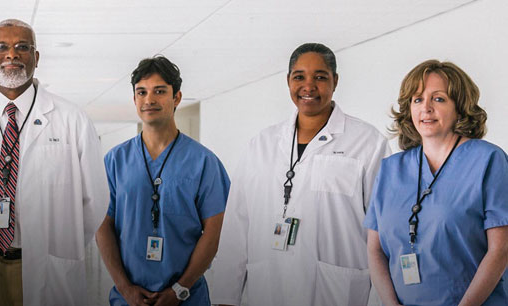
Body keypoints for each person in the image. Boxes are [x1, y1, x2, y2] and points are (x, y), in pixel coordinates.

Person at [0, 18, 108, 305]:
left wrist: (63, 243)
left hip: (48, 266)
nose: (12, 54)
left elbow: (95, 200)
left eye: (22, 47)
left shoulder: (72, 119)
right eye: (2, 47)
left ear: (36, 58)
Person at [208, 43, 390, 305]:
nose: (309, 86)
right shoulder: (262, 144)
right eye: (299, 77)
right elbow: (236, 227)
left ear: (335, 81)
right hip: (267, 288)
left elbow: (382, 232)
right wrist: (224, 297)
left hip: (336, 294)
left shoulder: (368, 143)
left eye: (320, 77)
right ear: (288, 81)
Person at [365, 60, 508, 305]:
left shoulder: (488, 160)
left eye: (439, 99)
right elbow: (374, 249)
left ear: (460, 106)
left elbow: (501, 250)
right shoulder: (391, 169)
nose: (426, 108)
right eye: (417, 99)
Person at [96, 56, 229, 306]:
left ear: (176, 97)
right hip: (130, 298)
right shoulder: (115, 161)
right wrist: (125, 288)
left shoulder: (204, 162)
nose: (149, 100)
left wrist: (180, 289)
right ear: (134, 99)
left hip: (187, 297)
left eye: (159, 91)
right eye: (142, 92)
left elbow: (214, 232)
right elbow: (103, 226)